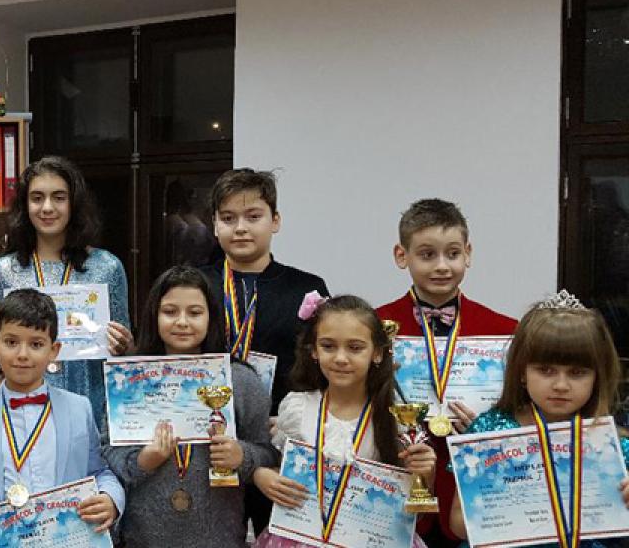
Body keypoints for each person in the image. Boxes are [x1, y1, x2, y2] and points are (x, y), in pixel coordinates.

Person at [375, 198, 518, 547]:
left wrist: (491, 424)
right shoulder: (373, 327)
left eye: (452, 254)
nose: (442, 266)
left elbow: (520, 407)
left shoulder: (504, 331)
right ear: (401, 255)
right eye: (427, 255)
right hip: (398, 476)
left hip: (473, 487)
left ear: (468, 254)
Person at [103, 266, 276, 548]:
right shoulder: (127, 379)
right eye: (170, 312)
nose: (182, 322)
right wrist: (144, 461)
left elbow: (269, 452)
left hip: (219, 538)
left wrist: (241, 455)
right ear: (153, 316)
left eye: (195, 313)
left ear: (211, 318)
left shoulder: (239, 380)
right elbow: (107, 453)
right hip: (143, 538)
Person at [197, 168, 328, 533]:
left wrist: (292, 419)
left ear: (276, 221)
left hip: (283, 441)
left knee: (283, 536)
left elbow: (323, 367)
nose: (240, 228)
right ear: (214, 225)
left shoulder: (306, 288)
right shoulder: (196, 284)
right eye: (228, 218)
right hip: (210, 442)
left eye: (253, 216)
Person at [0, 289, 124, 545]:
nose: (22, 354)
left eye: (36, 344)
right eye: (11, 342)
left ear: (54, 350)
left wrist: (110, 498)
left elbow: (100, 471)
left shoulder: (79, 408)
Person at [252, 294, 434, 548]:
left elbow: (416, 508)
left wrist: (425, 473)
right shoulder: (297, 409)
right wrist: (262, 475)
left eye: (355, 348)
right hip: (302, 537)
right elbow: (287, 473)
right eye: (328, 346)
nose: (340, 358)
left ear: (377, 353)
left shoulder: (397, 416)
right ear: (313, 350)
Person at [448, 294, 629, 547]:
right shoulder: (488, 432)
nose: (561, 385)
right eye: (546, 370)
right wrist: (499, 510)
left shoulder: (615, 446)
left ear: (597, 377)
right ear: (522, 372)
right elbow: (457, 524)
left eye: (577, 373)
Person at [0, 156, 132, 435]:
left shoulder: (107, 267)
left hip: (91, 412)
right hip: (25, 414)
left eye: (59, 197)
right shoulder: (4, 271)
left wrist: (124, 344)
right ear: (24, 205)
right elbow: (0, 353)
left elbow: (125, 355)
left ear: (74, 203)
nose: (47, 208)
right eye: (37, 198)